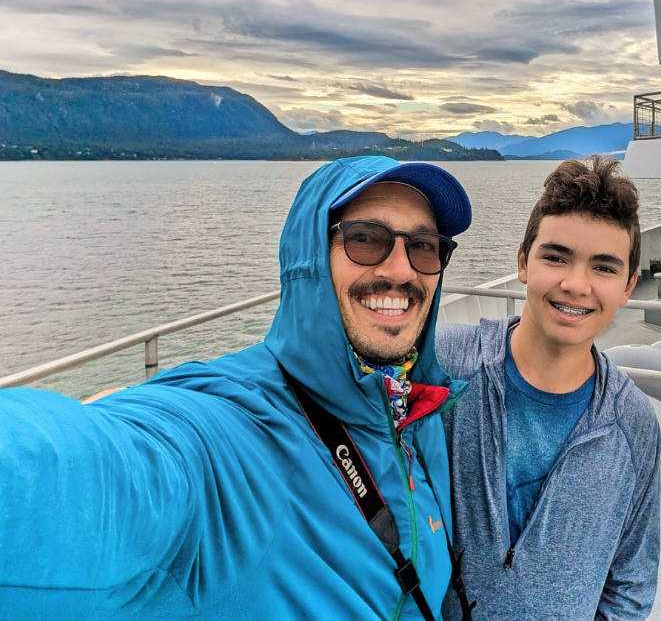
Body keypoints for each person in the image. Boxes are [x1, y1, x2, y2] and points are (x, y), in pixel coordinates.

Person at [0, 156, 473, 620]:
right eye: (365, 239)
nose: (402, 271)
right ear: (308, 259)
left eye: (424, 246)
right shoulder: (233, 434)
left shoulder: (418, 409)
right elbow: (88, 471)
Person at [437, 156, 661, 620]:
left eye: (603, 267)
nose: (576, 284)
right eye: (556, 257)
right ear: (523, 262)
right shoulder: (446, 366)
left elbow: (631, 580)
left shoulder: (632, 423)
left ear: (629, 286)